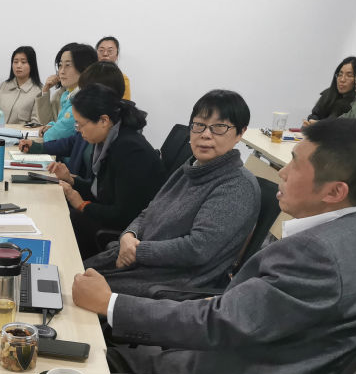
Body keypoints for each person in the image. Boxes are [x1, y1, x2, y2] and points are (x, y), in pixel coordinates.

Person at [71, 117, 356, 374]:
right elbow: (255, 313)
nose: (283, 172)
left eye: (296, 163)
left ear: (334, 191)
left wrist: (111, 303)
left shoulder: (318, 255)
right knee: (88, 356)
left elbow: (219, 324)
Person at [82, 89, 260, 296]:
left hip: (170, 283)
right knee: (67, 275)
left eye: (219, 127)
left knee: (74, 289)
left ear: (240, 133)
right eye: (199, 125)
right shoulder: (190, 169)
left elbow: (197, 248)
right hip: (140, 264)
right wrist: (128, 236)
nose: (205, 134)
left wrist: (137, 251)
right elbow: (148, 212)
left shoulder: (237, 186)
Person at [48, 83, 163, 258]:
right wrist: (71, 180)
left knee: (66, 219)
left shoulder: (129, 150)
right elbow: (103, 192)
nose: (78, 131)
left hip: (131, 232)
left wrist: (82, 205)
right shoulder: (109, 140)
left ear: (103, 121)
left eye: (80, 124)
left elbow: (124, 214)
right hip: (117, 219)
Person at [19, 61, 125, 174]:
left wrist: (73, 182)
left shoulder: (123, 145)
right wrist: (37, 147)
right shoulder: (93, 120)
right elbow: (73, 142)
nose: (61, 71)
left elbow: (96, 185)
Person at [41, 43, 98, 143]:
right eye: (60, 65)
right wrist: (52, 126)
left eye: (68, 65)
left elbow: (53, 136)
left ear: (85, 68)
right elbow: (62, 125)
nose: (61, 71)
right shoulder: (67, 94)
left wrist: (49, 131)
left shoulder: (83, 101)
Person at [304, 56, 356, 124]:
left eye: (349, 76)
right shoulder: (328, 94)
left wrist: (319, 124)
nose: (342, 80)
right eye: (340, 74)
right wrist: (311, 121)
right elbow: (315, 114)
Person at [0, 46, 43, 125]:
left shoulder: (39, 90)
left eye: (23, 62)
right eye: (15, 62)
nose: (18, 66)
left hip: (21, 133)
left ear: (32, 65)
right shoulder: (3, 86)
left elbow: (36, 123)